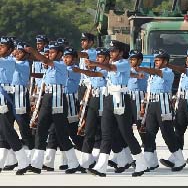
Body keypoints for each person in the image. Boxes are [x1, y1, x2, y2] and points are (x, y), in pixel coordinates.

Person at [86, 40, 147, 177]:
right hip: (109, 98)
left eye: (113, 51)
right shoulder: (113, 64)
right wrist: (136, 75)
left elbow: (112, 69)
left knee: (126, 133)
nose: (111, 53)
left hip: (121, 99)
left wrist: (95, 63)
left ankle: (141, 163)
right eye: (110, 51)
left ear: (120, 52)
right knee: (106, 133)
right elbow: (120, 74)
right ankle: (101, 166)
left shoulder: (124, 63)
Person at [24, 42, 82, 174]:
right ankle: (36, 164)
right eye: (49, 52)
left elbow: (44, 59)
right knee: (41, 129)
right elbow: (43, 63)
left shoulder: (60, 65)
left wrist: (33, 51)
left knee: (61, 133)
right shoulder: (49, 67)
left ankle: (74, 163)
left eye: (53, 52)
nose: (49, 54)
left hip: (58, 100)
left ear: (60, 54)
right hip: (48, 98)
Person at [136, 49, 186, 172]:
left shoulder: (168, 72)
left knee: (167, 133)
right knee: (149, 133)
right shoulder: (153, 75)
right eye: (155, 60)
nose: (156, 62)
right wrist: (144, 105)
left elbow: (156, 71)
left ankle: (179, 159)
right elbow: (149, 90)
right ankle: (149, 162)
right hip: (151, 104)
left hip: (163, 104)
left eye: (158, 60)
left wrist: (142, 68)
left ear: (165, 61)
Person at [160, 49, 188, 168]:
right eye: (187, 59)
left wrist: (168, 64)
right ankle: (176, 156)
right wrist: (177, 102)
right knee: (178, 129)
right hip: (182, 102)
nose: (187, 61)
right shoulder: (185, 72)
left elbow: (182, 69)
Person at [72, 47, 109, 169]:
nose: (98, 59)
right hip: (93, 98)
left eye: (101, 57)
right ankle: (86, 160)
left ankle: (118, 157)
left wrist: (81, 70)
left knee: (104, 130)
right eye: (97, 57)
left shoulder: (108, 69)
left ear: (107, 59)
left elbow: (95, 74)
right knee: (89, 128)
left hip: (105, 100)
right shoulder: (96, 67)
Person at [0, 37, 31, 175]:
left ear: (11, 50)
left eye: (3, 46)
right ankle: (3, 160)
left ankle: (23, 160)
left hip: (5, 97)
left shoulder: (11, 62)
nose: (0, 47)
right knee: (2, 131)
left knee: (7, 130)